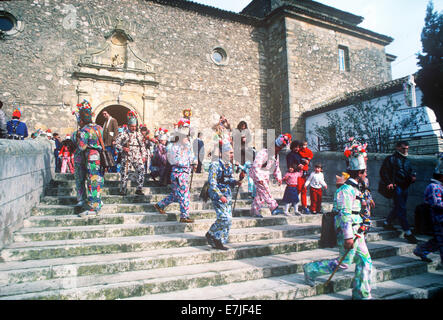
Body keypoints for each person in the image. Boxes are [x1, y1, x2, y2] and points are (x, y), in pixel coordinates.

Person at [303, 148, 373, 300]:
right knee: (344, 263)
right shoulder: (345, 190)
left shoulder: (357, 188)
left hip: (358, 231)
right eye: (364, 171)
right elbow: (344, 214)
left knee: (365, 261)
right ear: (359, 173)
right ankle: (311, 269)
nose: (366, 174)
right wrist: (348, 236)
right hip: (348, 231)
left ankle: (361, 294)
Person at [154, 121, 197, 223]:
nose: (187, 139)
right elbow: (174, 161)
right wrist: (187, 164)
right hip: (178, 173)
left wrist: (194, 163)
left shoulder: (187, 146)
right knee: (185, 194)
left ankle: (160, 205)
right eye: (185, 137)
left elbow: (191, 156)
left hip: (185, 172)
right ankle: (184, 216)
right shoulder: (174, 147)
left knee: (176, 194)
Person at [205, 142, 243, 250]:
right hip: (218, 195)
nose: (232, 155)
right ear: (223, 152)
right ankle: (211, 233)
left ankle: (219, 240)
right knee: (225, 218)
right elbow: (212, 183)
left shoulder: (229, 165)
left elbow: (228, 179)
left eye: (232, 152)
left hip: (227, 194)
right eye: (230, 152)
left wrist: (236, 182)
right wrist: (220, 195)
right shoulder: (215, 164)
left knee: (229, 220)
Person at [380, 140, 418, 244]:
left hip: (404, 186)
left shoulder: (407, 159)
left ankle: (387, 222)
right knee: (401, 208)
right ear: (397, 148)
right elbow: (383, 172)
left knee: (399, 207)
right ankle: (408, 232)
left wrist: (413, 176)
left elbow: (410, 170)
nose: (405, 150)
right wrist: (389, 182)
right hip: (397, 187)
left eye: (406, 148)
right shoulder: (391, 159)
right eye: (403, 148)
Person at [249, 133, 292, 218]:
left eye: (280, 148)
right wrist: (259, 178)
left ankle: (254, 210)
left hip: (265, 174)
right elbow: (255, 166)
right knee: (265, 190)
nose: (278, 149)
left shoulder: (276, 155)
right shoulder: (263, 153)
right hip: (257, 173)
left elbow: (276, 167)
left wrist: (278, 177)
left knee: (260, 194)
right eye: (278, 147)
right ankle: (273, 207)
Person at [75, 100, 104, 217]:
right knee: (98, 179)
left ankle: (93, 207)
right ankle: (98, 201)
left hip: (91, 157)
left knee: (92, 180)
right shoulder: (99, 128)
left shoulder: (84, 130)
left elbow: (81, 147)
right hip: (100, 157)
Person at [413, 153, 443, 266]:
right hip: (438, 219)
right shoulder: (433, 187)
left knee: (438, 241)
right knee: (440, 241)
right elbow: (436, 203)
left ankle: (421, 250)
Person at [115, 111, 148, 196]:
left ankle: (139, 188)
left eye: (135, 126)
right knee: (124, 172)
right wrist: (123, 148)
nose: (133, 128)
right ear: (129, 126)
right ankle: (123, 189)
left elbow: (143, 146)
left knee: (141, 170)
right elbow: (116, 144)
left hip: (136, 155)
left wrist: (144, 156)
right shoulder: (123, 134)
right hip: (126, 156)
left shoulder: (139, 135)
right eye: (132, 126)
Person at [298, 140, 314, 214]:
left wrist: (307, 160)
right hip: (299, 171)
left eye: (305, 145)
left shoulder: (308, 151)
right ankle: (293, 203)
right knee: (298, 188)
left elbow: (310, 156)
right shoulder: (299, 151)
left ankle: (304, 206)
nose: (304, 146)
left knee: (304, 189)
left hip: (305, 170)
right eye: (303, 145)